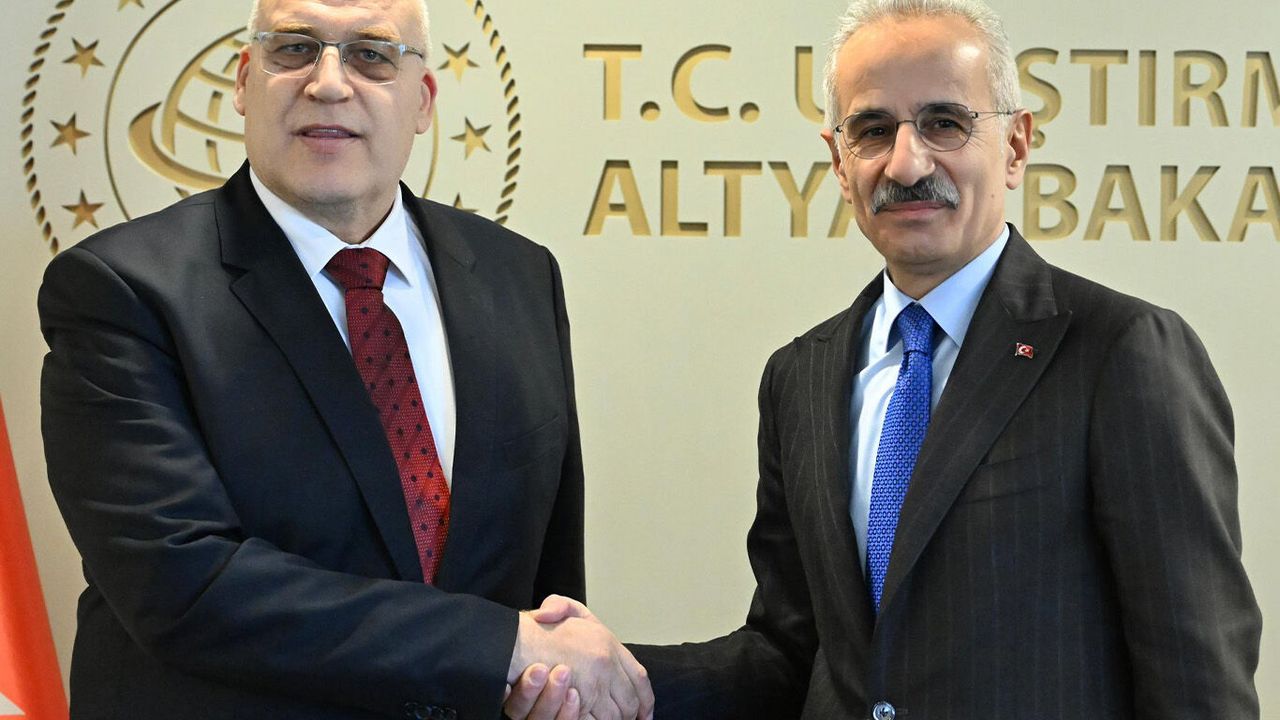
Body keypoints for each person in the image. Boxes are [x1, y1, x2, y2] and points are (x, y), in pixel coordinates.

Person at [505, 0, 1262, 718]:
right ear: (839, 163)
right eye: (872, 130)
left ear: (1016, 145)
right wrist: (605, 677)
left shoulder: (1121, 351)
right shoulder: (800, 377)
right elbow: (790, 654)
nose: (906, 163)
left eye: (945, 123)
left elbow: (1196, 676)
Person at [38, 1, 653, 718]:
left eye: (371, 54)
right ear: (243, 82)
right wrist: (502, 647)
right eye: (294, 48)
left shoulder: (520, 275)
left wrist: (552, 672)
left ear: (422, 101)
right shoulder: (121, 290)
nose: (328, 83)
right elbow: (182, 583)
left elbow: (547, 573)